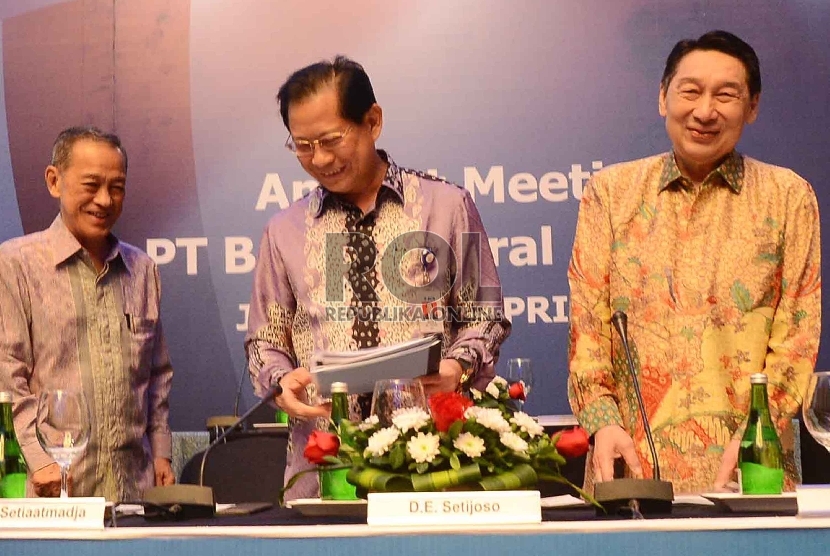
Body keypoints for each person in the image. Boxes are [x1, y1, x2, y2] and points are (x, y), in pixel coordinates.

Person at [245, 56, 510, 500]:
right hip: (324, 470)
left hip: (432, 464)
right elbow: (264, 342)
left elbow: (485, 317)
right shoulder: (284, 231)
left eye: (331, 140)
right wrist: (280, 381)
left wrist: (455, 370)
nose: (320, 159)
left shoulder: (446, 207)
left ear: (373, 121)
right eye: (303, 146)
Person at [567, 30, 820, 494]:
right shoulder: (611, 193)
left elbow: (797, 334)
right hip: (629, 466)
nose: (705, 111)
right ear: (663, 97)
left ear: (753, 107)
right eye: (690, 91)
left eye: (726, 95)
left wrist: (758, 434)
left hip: (751, 466)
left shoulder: (789, 197)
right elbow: (588, 328)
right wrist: (603, 423)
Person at [0, 126, 175, 501]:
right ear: (54, 181)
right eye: (91, 184)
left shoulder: (142, 270)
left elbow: (157, 377)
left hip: (134, 494)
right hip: (51, 495)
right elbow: (7, 378)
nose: (104, 200)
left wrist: (162, 453)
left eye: (117, 187)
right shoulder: (15, 265)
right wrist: (36, 458)